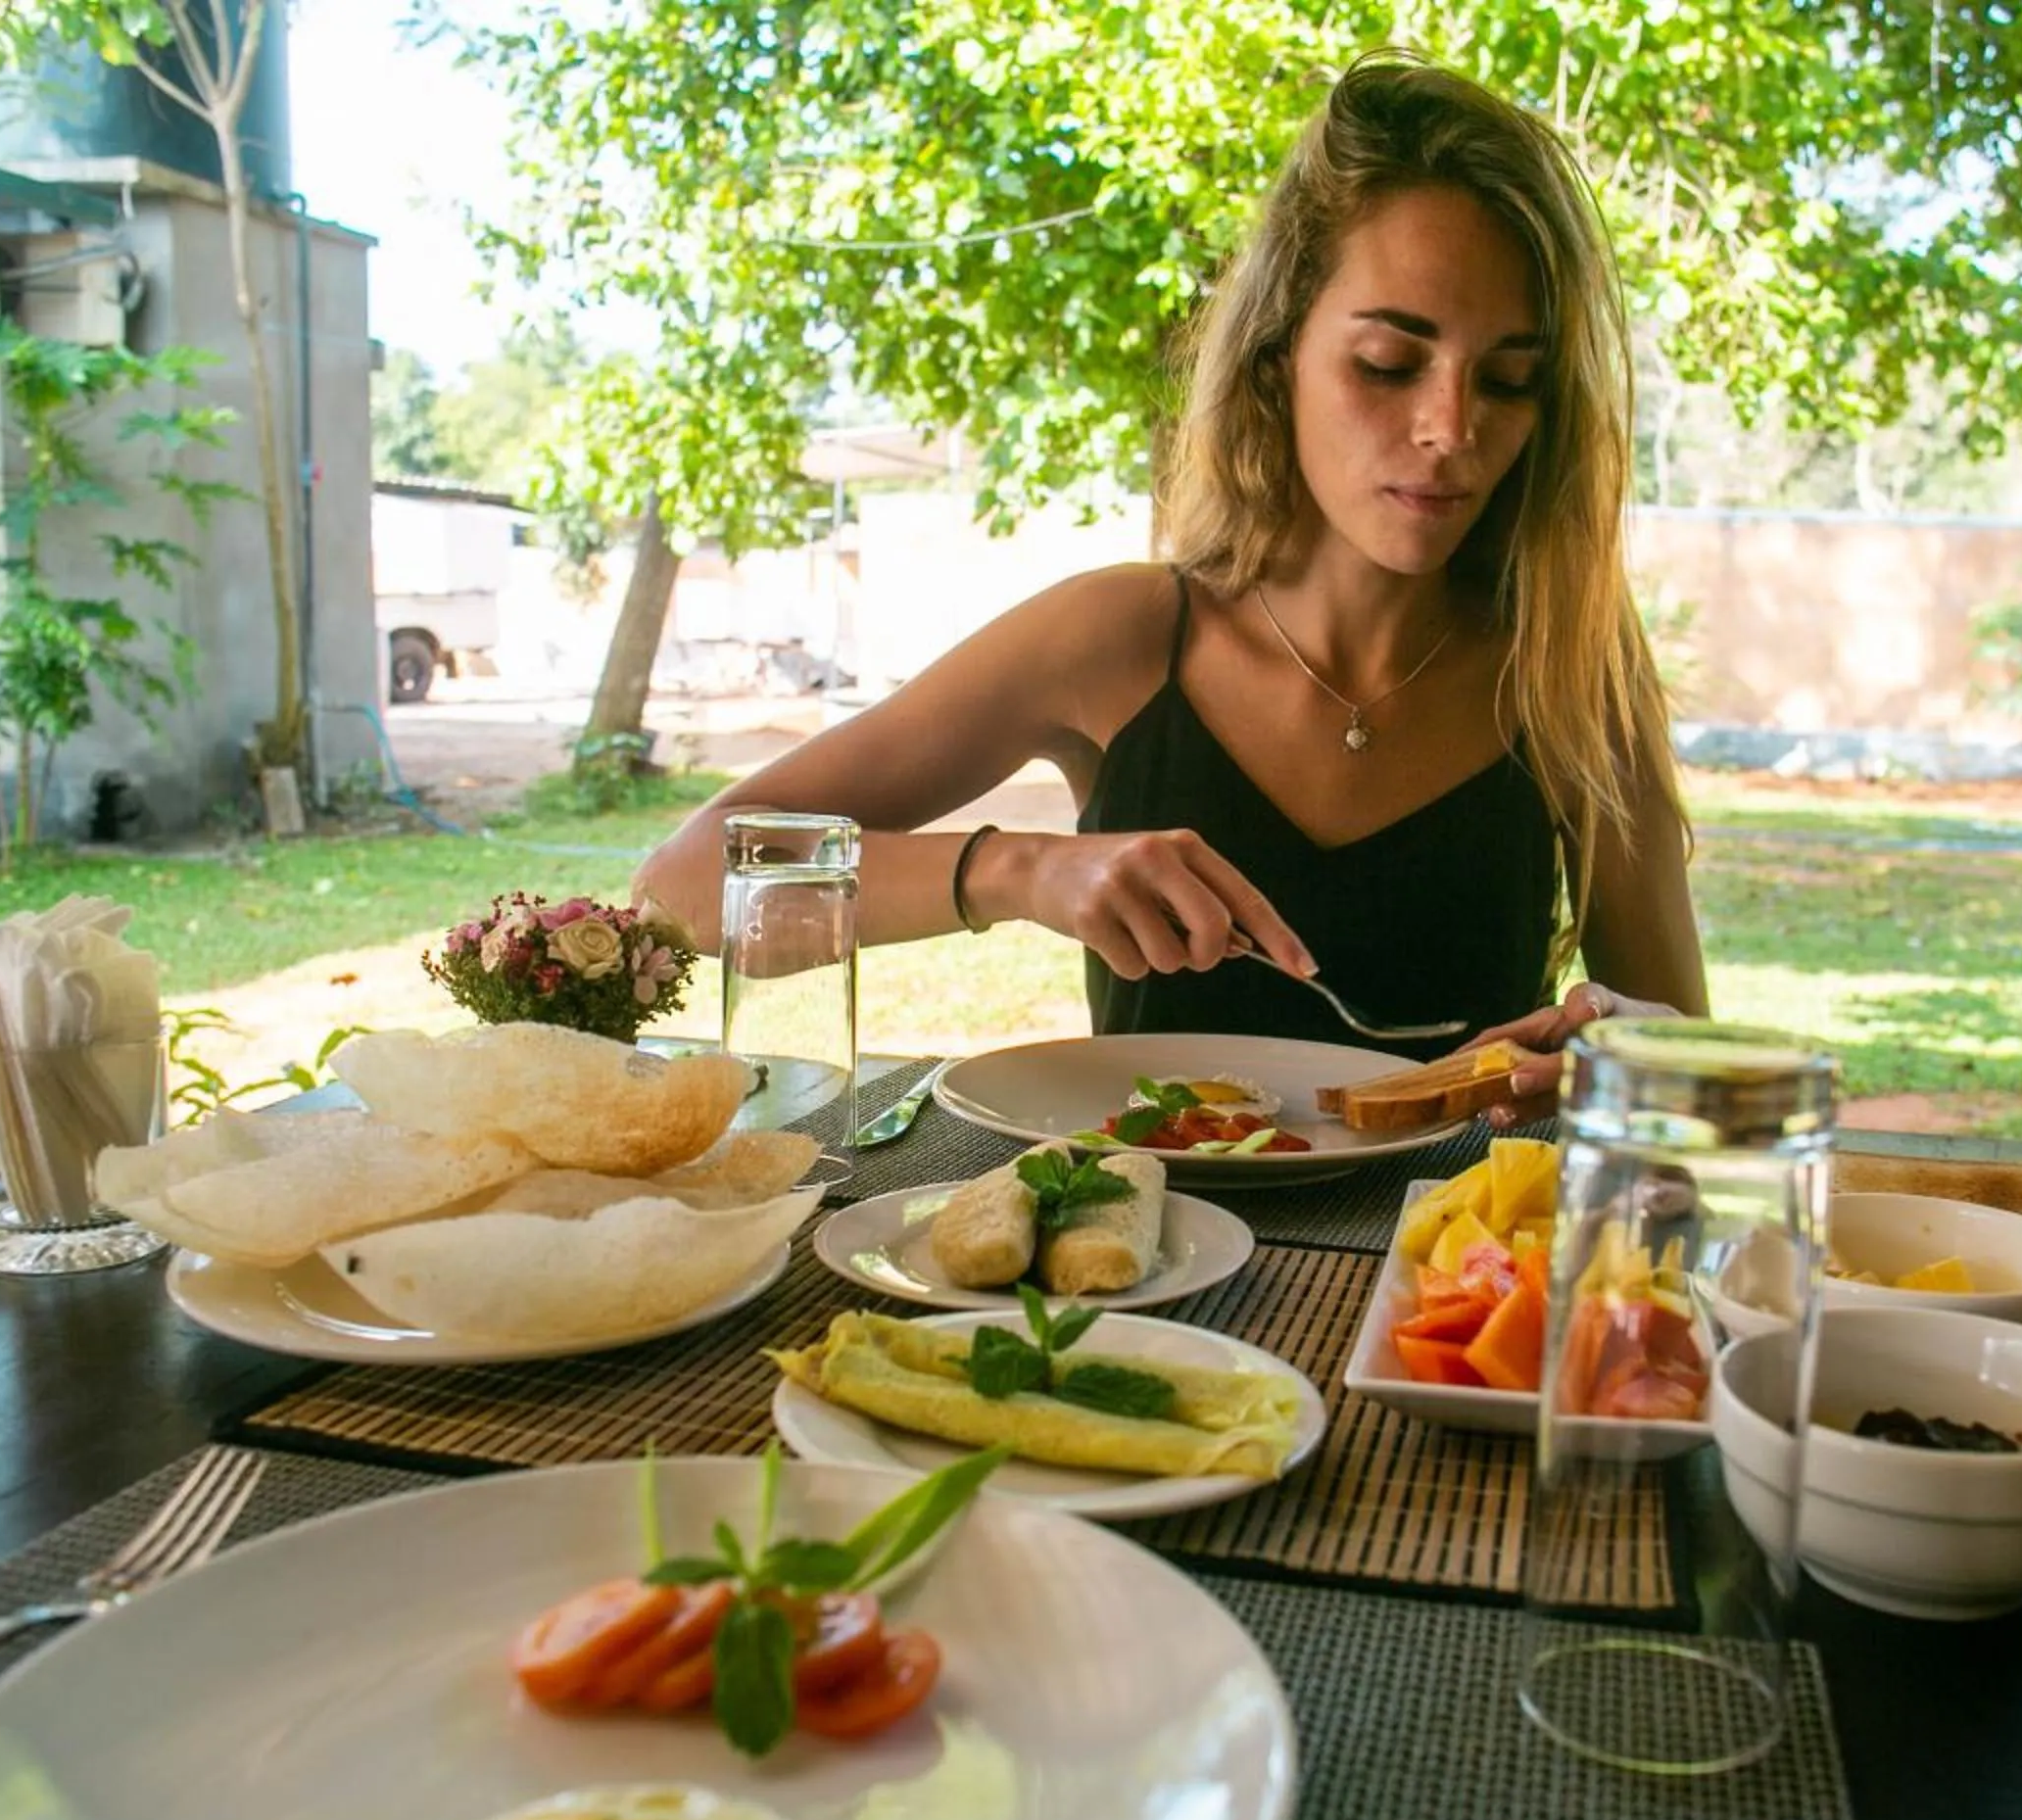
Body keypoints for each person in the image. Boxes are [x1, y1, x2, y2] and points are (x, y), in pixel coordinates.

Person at [635, 51, 1706, 1124]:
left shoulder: (1570, 667)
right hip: (1147, 1232)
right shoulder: (1121, 637)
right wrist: (1017, 872)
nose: (1451, 429)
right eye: (1388, 363)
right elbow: (680, 885)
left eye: (1510, 380)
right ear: (1278, 356)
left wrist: (1625, 1059)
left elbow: (1685, 1065)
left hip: (1467, 1233)